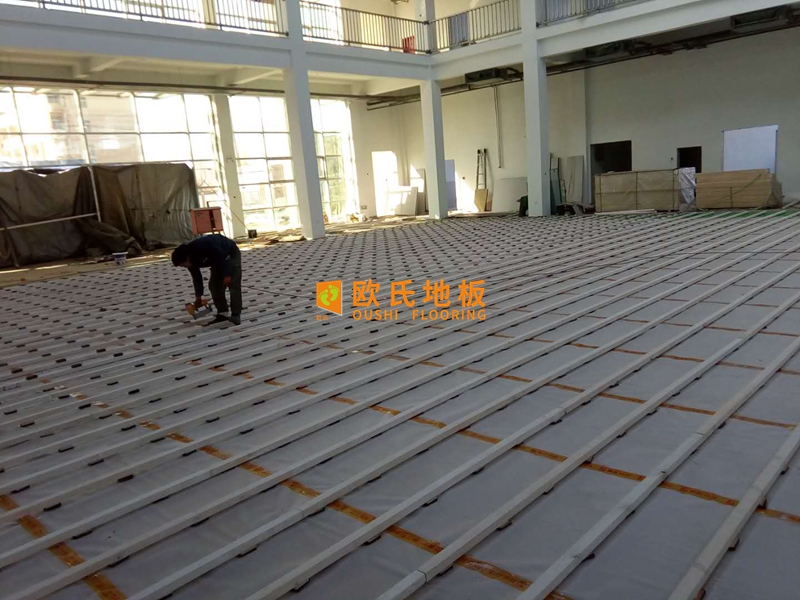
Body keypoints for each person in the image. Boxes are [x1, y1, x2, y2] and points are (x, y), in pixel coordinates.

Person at [171, 235, 242, 325]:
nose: (184, 267)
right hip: (216, 259)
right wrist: (198, 297)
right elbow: (197, 278)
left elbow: (225, 258)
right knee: (214, 285)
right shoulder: (190, 262)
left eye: (182, 265)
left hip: (230, 253)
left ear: (187, 257)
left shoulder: (203, 246)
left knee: (233, 284)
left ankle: (236, 314)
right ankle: (222, 313)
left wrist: (227, 275)